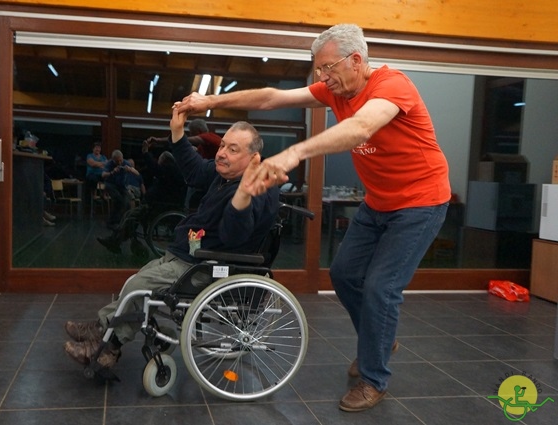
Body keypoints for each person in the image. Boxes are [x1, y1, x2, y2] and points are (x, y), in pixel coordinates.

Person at [176, 23, 450, 413]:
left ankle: (374, 378)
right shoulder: (336, 89)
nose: (322, 78)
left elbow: (359, 129)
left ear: (356, 61)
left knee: (379, 288)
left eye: (328, 68)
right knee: (342, 274)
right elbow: (272, 97)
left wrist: (293, 154)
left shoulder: (393, 86)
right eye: (317, 70)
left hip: (421, 203)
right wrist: (209, 103)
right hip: (379, 203)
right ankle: (380, 335)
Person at [64, 109, 280, 369]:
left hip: (209, 264)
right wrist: (177, 133)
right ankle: (102, 326)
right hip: (190, 253)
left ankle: (107, 348)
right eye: (223, 145)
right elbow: (196, 170)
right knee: (137, 281)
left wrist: (242, 199)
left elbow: (235, 236)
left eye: (233, 150)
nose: (221, 153)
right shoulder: (227, 174)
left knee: (140, 286)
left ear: (253, 158)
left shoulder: (256, 188)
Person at [102, 150, 142, 229]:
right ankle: (112, 222)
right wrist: (112, 172)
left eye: (121, 160)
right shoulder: (109, 164)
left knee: (126, 202)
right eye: (117, 161)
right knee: (118, 200)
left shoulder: (126, 163)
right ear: (113, 160)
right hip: (111, 185)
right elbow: (103, 175)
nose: (120, 163)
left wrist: (130, 169)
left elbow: (137, 173)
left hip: (122, 186)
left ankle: (122, 221)